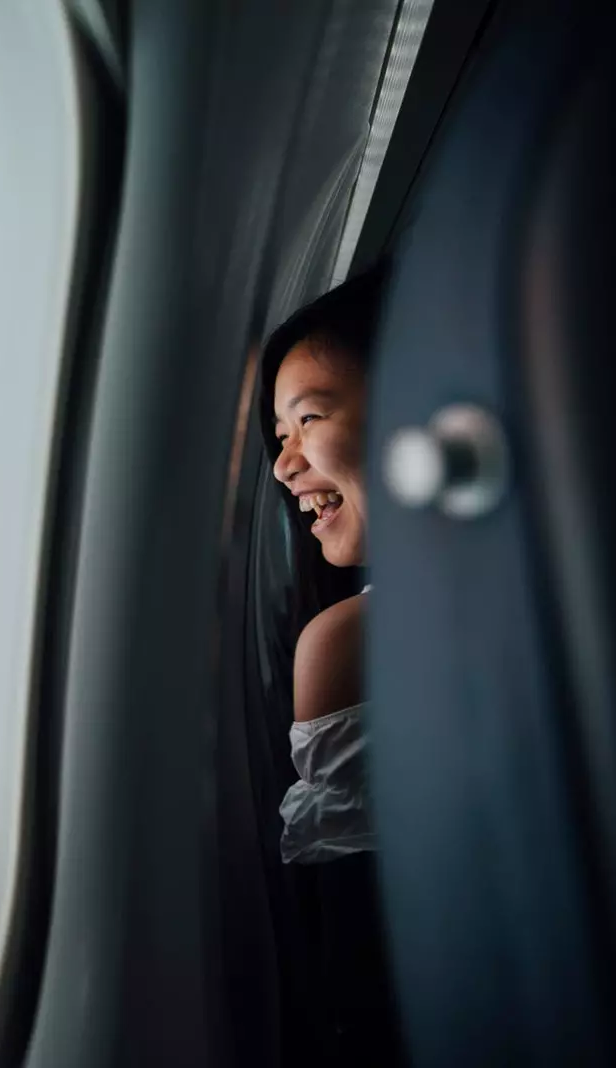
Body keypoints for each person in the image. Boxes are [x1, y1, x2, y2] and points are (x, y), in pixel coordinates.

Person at [258, 259, 403, 1065]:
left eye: (308, 419)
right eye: (281, 438)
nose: (283, 467)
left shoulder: (344, 645)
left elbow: (366, 989)